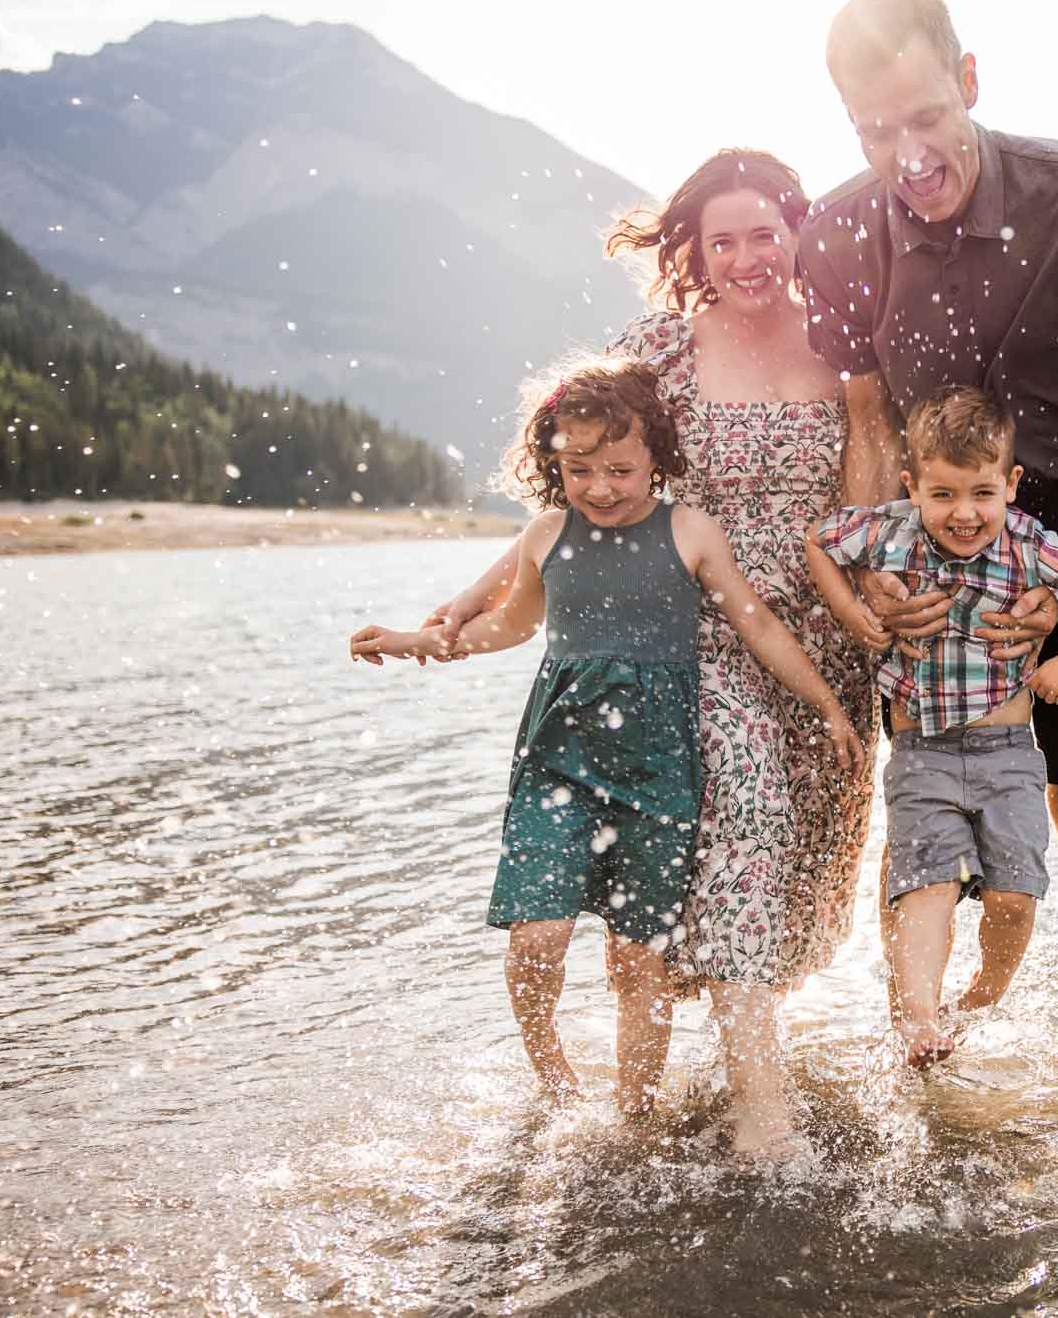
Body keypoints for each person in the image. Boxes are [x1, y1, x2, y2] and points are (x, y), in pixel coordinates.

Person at [418, 150, 879, 1153]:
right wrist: (477, 599)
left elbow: (875, 490)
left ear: (797, 233)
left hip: (820, 639)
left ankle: (705, 1060)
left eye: (765, 234)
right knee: (745, 815)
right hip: (699, 626)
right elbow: (580, 479)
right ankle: (762, 1113)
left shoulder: (846, 345)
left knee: (793, 867)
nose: (748, 258)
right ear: (695, 253)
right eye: (724, 241)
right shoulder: (662, 351)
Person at [803, 0, 1058, 1096]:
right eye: (875, 132)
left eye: (925, 118)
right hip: (920, 536)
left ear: (969, 81)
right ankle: (918, 1057)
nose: (907, 156)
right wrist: (875, 575)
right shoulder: (837, 234)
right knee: (920, 796)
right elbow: (869, 423)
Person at [348, 356, 864, 1130]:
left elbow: (757, 626)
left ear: (658, 454)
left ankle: (635, 1115)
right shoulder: (548, 534)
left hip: (658, 775)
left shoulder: (688, 532)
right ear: (554, 465)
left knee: (637, 958)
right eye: (578, 469)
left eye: (619, 469)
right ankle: (554, 1078)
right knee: (537, 936)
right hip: (557, 764)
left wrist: (826, 704)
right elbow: (508, 625)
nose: (600, 487)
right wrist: (415, 640)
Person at [804, 386, 1058, 1067]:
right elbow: (818, 540)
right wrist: (849, 608)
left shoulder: (1030, 546)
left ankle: (985, 990)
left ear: (1011, 484)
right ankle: (920, 1020)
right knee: (924, 886)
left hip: (1008, 755)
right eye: (943, 494)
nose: (964, 513)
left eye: (982, 494)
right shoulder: (889, 531)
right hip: (922, 754)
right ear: (913, 487)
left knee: (1013, 896)